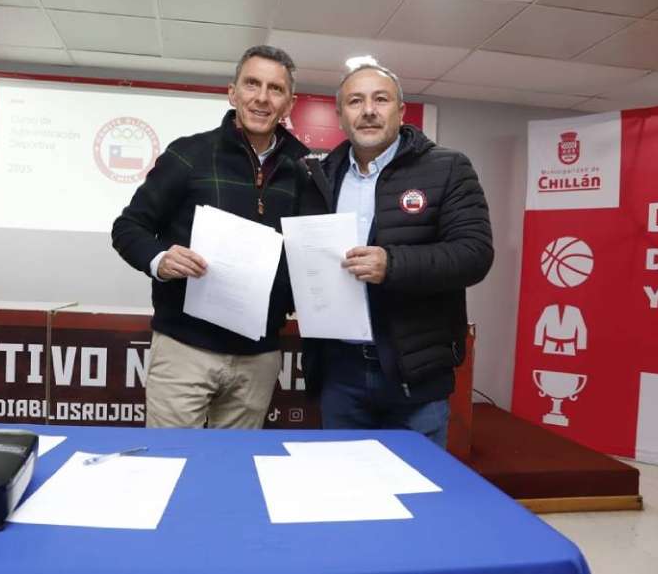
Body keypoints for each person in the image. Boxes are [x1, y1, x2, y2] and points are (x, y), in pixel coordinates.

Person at [112, 45, 309, 429]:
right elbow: (128, 227)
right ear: (232, 93)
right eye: (252, 84)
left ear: (289, 103)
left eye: (275, 89)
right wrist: (160, 260)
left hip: (259, 356)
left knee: (235, 463)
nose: (262, 97)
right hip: (185, 348)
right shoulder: (189, 154)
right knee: (169, 458)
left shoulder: (303, 171)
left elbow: (305, 256)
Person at [299, 62, 493, 447]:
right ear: (340, 115)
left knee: (415, 483)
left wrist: (393, 264)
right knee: (343, 480)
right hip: (341, 374)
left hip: (415, 373)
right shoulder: (320, 176)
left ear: (401, 111)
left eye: (381, 99)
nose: (368, 110)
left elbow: (474, 254)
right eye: (355, 101)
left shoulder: (448, 167)